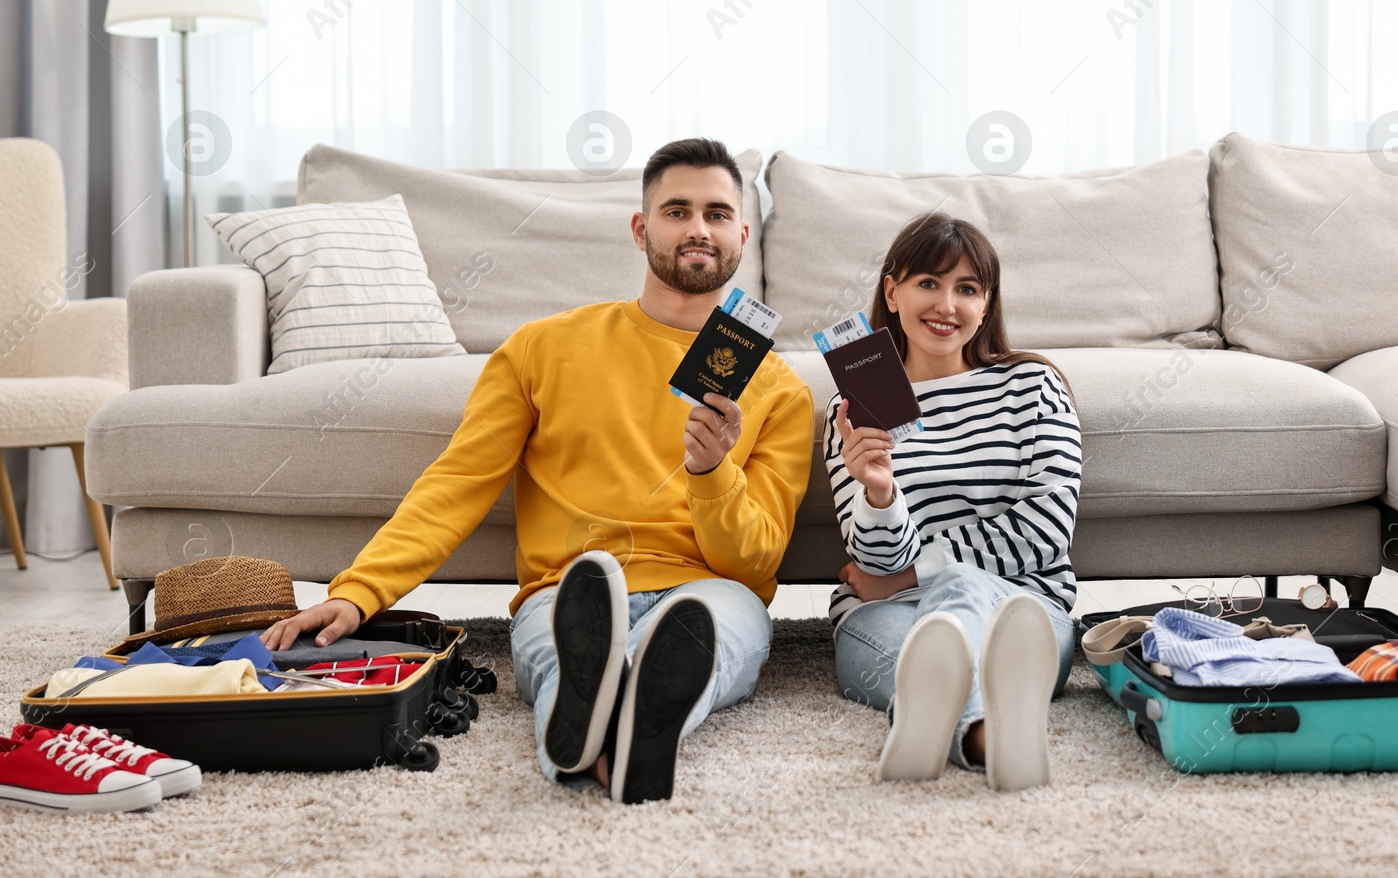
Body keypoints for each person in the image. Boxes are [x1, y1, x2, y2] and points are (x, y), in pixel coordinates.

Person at [263, 138, 814, 804]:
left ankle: (604, 737)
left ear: (743, 235)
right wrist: (359, 591)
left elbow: (754, 562)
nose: (699, 228)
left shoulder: (778, 388)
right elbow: (457, 482)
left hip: (706, 591)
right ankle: (616, 724)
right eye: (677, 210)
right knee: (569, 648)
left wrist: (711, 470)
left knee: (712, 632)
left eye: (718, 213)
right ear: (641, 229)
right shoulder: (542, 347)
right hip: (574, 588)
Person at [825, 211, 1082, 791]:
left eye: (967, 289)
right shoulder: (852, 410)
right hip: (884, 619)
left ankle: (927, 730)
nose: (947, 304)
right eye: (928, 283)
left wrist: (919, 574)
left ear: (986, 306)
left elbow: (1045, 530)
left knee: (960, 589)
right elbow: (875, 565)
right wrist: (880, 492)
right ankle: (984, 738)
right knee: (920, 657)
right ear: (892, 292)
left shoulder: (1033, 388)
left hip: (1021, 610)